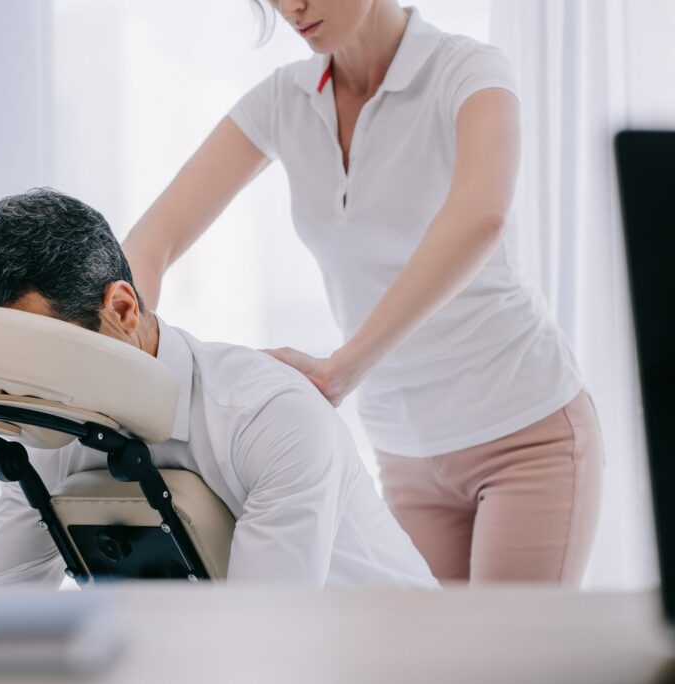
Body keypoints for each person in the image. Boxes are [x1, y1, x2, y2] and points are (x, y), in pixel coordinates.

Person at [121, 0, 603, 584]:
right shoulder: (284, 101)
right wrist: (126, 357)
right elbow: (151, 242)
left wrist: (341, 370)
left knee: (514, 665)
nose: (291, 8)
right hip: (405, 453)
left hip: (523, 429)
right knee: (422, 665)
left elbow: (482, 217)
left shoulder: (468, 70)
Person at [0, 189, 436, 588]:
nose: (31, 392)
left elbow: (265, 646)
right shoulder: (52, 436)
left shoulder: (269, 418)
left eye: (41, 355)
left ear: (122, 311)